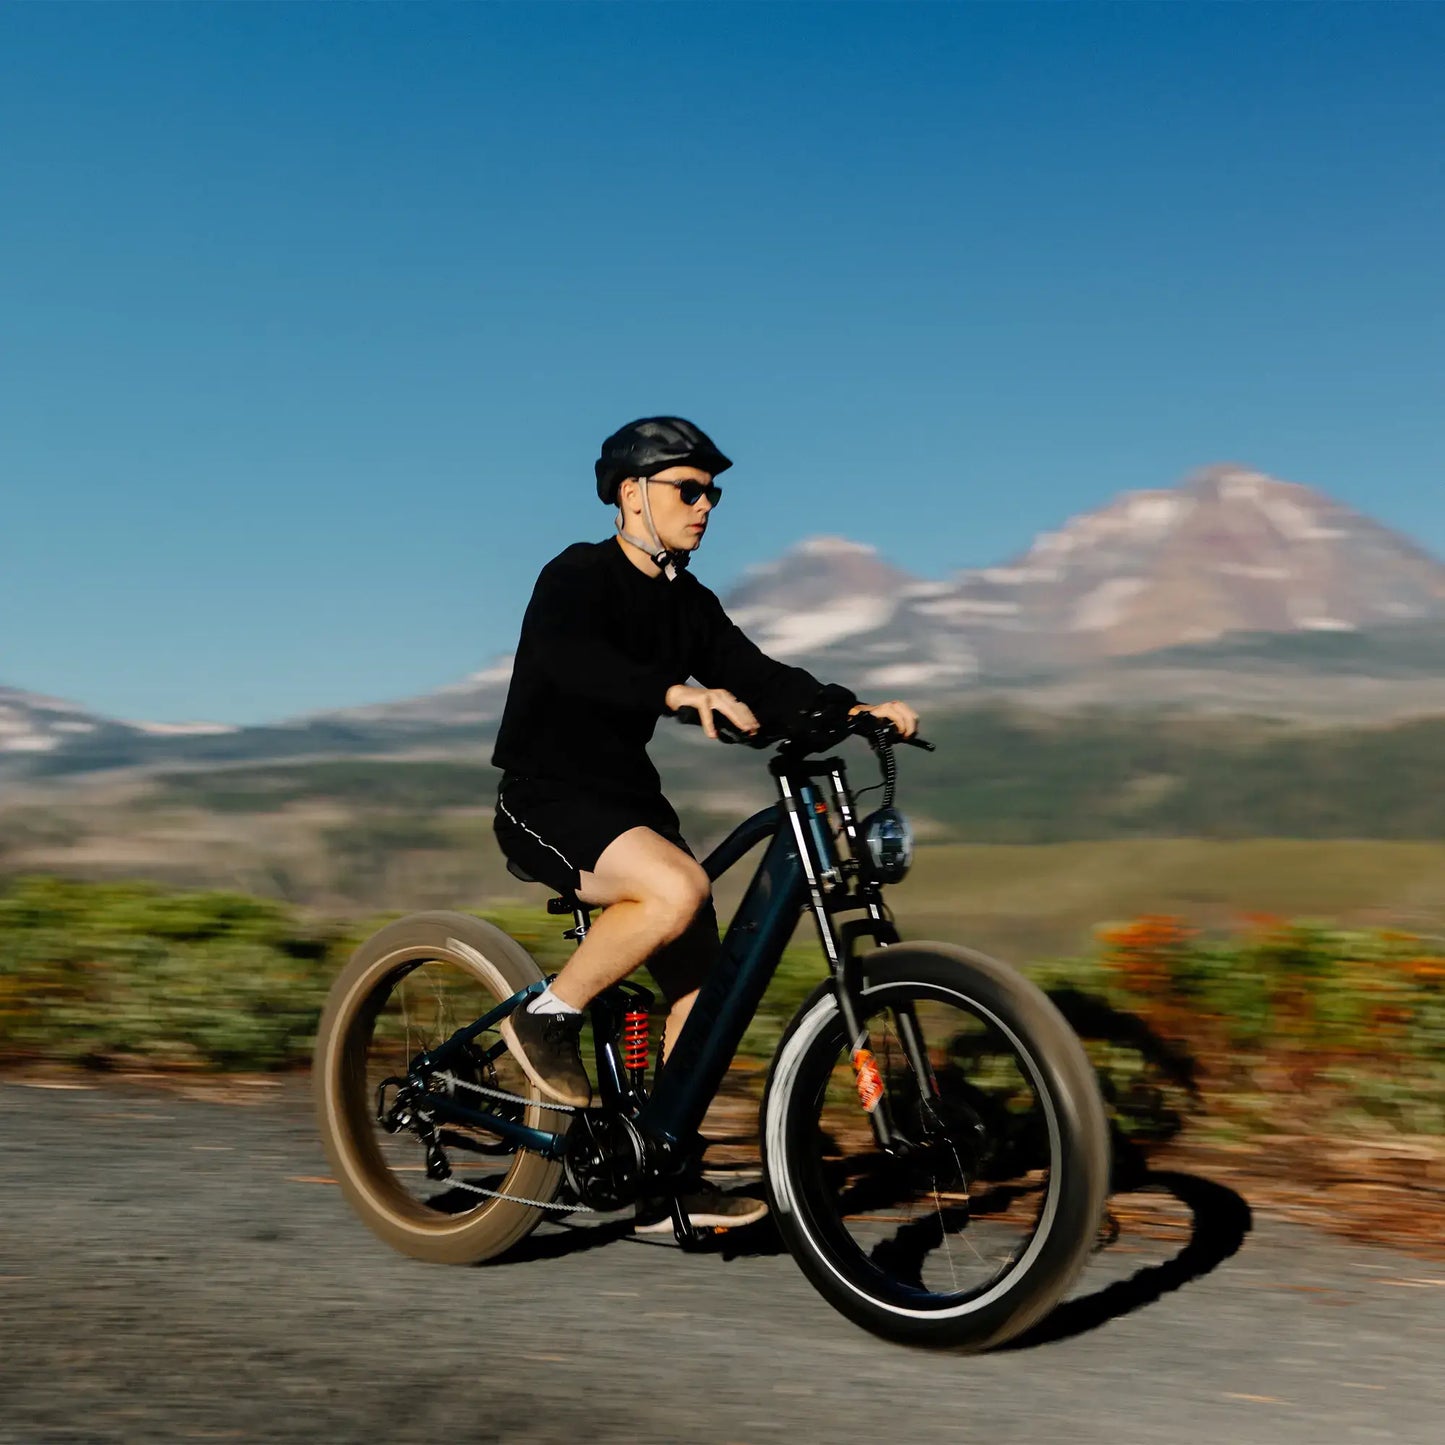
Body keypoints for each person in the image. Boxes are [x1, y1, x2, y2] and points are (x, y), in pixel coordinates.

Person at [490, 416, 919, 1229]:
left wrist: (851, 708)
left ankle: (661, 1169)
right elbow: (574, 661)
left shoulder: (687, 603)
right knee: (678, 887)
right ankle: (543, 1016)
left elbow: (757, 675)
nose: (706, 505)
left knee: (703, 987)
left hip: (628, 806)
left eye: (712, 492)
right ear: (629, 495)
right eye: (687, 489)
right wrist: (677, 694)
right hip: (545, 797)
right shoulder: (575, 575)